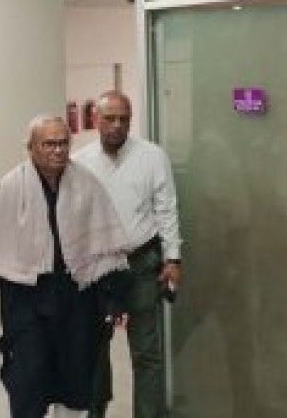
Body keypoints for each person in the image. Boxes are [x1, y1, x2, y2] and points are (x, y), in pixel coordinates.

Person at [0, 114, 131, 418]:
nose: (58, 150)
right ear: (31, 148)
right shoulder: (9, 188)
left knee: (75, 383)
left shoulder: (87, 185)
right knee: (28, 383)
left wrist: (115, 299)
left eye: (63, 143)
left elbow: (107, 249)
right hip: (26, 303)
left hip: (78, 301)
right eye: (49, 144)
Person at [73, 91, 183, 418]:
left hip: (142, 264)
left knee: (147, 353)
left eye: (123, 118)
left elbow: (166, 210)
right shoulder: (79, 162)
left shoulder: (153, 157)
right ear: (96, 119)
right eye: (109, 118)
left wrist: (173, 259)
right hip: (97, 268)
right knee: (95, 350)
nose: (117, 125)